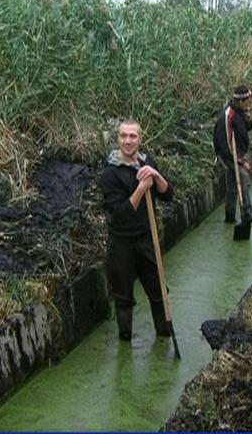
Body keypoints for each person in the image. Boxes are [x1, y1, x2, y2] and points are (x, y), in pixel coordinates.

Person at [99, 119, 174, 342]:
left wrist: (156, 177)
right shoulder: (110, 174)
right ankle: (125, 339)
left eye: (133, 136)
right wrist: (141, 188)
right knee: (123, 297)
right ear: (118, 139)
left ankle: (164, 332)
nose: (128, 141)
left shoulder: (146, 162)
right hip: (121, 244)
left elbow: (168, 195)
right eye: (124, 136)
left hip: (146, 239)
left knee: (159, 289)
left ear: (140, 139)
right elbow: (120, 214)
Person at [213, 85, 252, 224]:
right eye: (247, 101)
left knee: (233, 183)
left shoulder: (240, 112)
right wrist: (240, 161)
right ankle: (247, 214)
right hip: (228, 154)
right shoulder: (228, 116)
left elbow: (245, 129)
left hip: (236, 152)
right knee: (243, 177)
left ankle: (230, 215)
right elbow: (226, 142)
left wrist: (248, 120)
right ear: (240, 101)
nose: (249, 103)